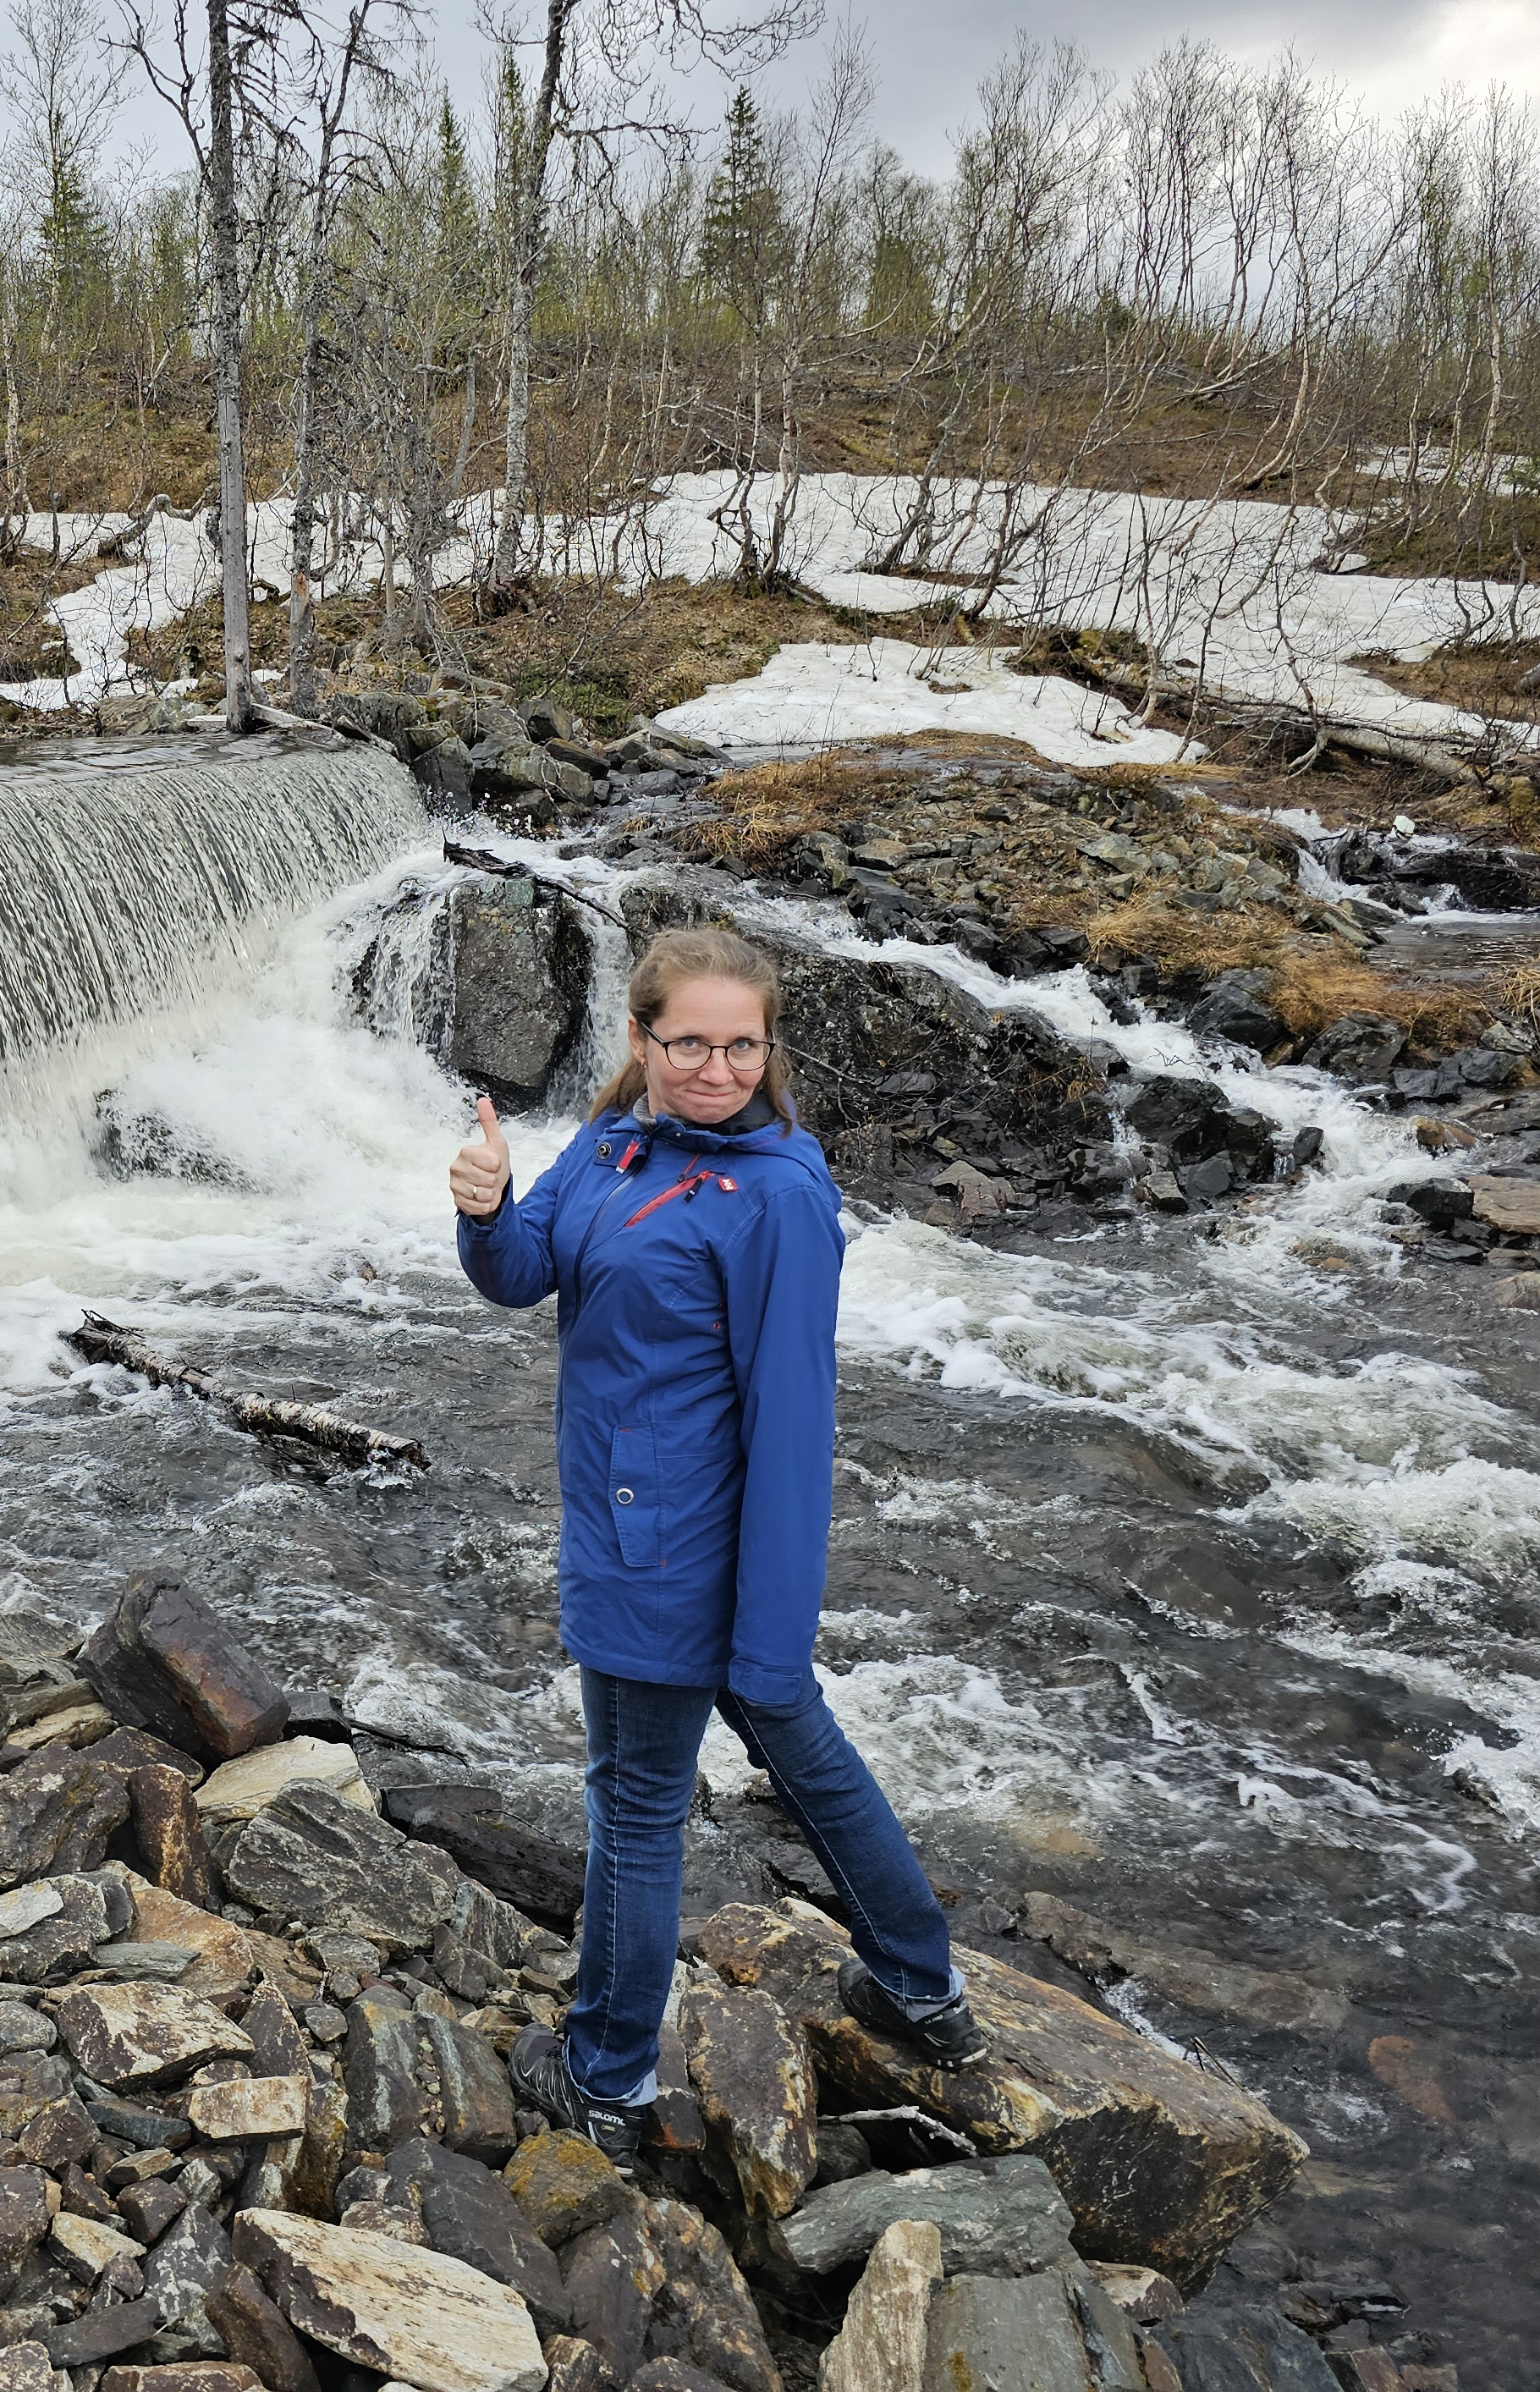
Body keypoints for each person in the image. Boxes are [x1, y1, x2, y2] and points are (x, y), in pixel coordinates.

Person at [447, 923, 984, 2155]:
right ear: (639, 1039)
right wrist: (488, 1205)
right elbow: (524, 1275)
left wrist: (773, 1626)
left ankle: (608, 2078)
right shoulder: (612, 1141)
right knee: (801, 1755)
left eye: (742, 1044)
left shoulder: (782, 1196)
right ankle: (921, 1987)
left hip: (675, 1547)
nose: (718, 1067)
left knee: (639, 1803)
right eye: (690, 1041)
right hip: (627, 1524)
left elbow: (795, 1421)